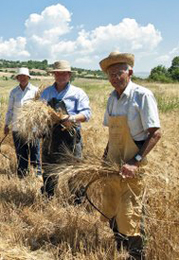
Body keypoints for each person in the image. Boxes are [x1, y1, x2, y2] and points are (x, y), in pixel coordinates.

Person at [99, 51, 161, 259]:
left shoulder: (142, 95)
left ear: (130, 72)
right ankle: (119, 246)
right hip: (114, 163)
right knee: (113, 206)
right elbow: (113, 133)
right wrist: (104, 160)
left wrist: (135, 162)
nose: (115, 78)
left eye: (119, 73)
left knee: (131, 210)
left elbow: (155, 133)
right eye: (111, 74)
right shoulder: (112, 98)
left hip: (133, 164)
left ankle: (136, 254)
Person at [40, 60, 91, 198]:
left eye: (64, 73)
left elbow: (86, 114)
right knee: (49, 169)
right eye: (58, 73)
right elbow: (39, 111)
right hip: (50, 137)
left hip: (71, 138)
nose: (61, 76)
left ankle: (77, 200)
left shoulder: (77, 93)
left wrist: (72, 118)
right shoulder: (47, 93)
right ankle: (48, 197)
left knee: (73, 170)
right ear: (54, 75)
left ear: (69, 75)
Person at [4, 67, 42, 178]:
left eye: (24, 76)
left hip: (32, 128)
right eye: (20, 76)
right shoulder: (14, 92)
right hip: (17, 127)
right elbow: (10, 110)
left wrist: (39, 127)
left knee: (35, 152)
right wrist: (6, 124)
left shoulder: (35, 91)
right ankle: (22, 174)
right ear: (17, 78)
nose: (22, 78)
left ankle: (37, 175)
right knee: (21, 153)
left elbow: (40, 110)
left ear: (28, 77)